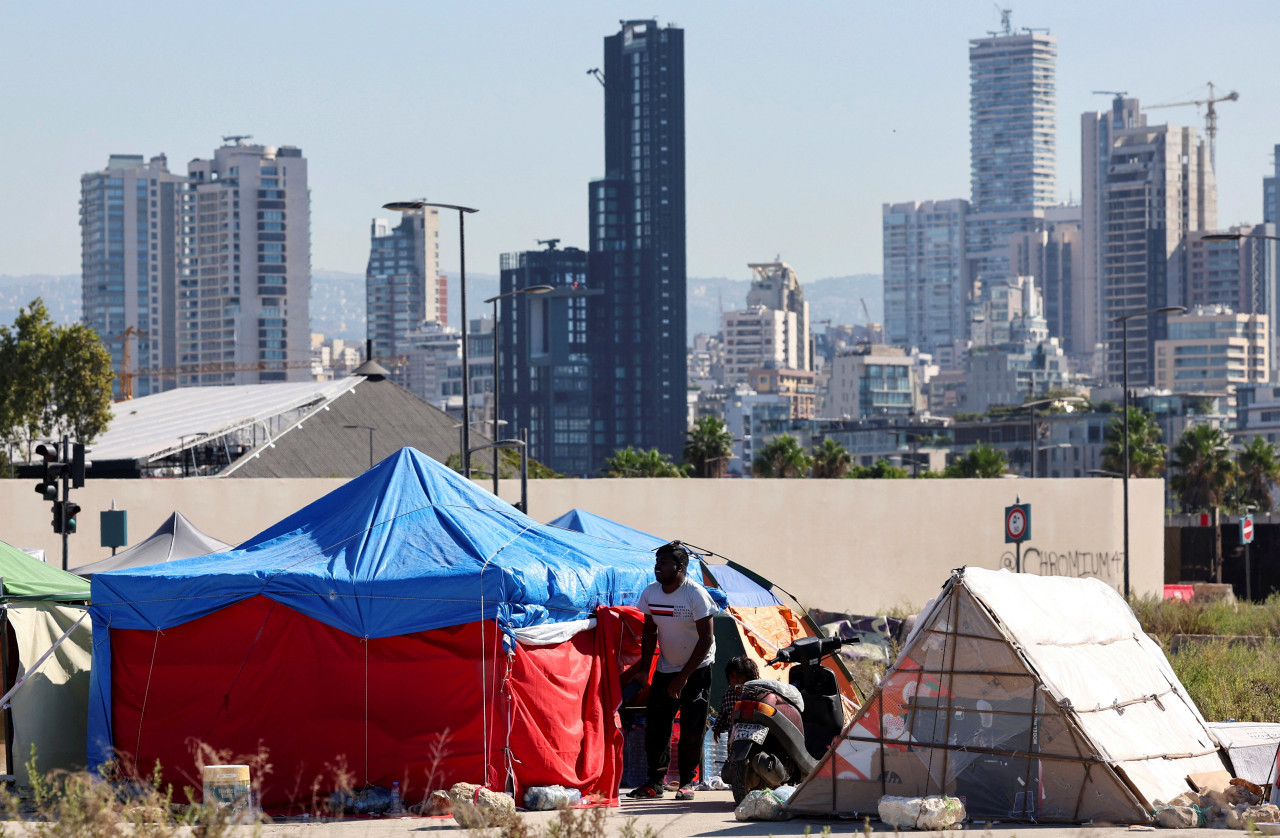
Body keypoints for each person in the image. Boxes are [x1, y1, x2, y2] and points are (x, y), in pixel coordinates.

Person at [622, 541, 717, 801]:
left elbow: (706, 639)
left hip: (696, 669)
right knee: (657, 727)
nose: (657, 568)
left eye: (663, 563)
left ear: (681, 567)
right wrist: (644, 670)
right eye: (657, 563)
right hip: (666, 668)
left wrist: (683, 677)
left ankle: (687, 782)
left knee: (691, 727)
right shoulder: (651, 593)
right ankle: (655, 783)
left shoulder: (695, 594)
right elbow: (649, 631)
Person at [712, 655, 760, 743]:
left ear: (749, 677)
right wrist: (717, 729)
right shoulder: (729, 695)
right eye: (732, 676)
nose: (735, 679)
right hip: (733, 738)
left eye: (739, 676)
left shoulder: (756, 695)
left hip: (753, 737)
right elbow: (723, 714)